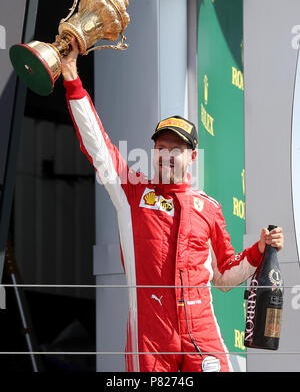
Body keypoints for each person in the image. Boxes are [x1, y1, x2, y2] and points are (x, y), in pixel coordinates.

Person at [61, 38, 284, 372]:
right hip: (151, 339)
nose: (166, 154)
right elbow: (97, 144)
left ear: (191, 157)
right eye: (161, 146)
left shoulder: (208, 208)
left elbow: (224, 275)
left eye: (176, 148)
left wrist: (260, 249)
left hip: (202, 334)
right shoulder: (131, 192)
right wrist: (71, 77)